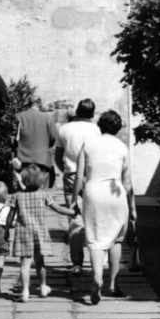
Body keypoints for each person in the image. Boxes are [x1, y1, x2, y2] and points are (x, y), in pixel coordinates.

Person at [70, 109, 136, 305]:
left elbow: (78, 176)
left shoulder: (88, 145)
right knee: (116, 239)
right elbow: (128, 182)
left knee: (95, 239)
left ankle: (97, 277)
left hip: (93, 193)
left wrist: (74, 199)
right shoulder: (122, 147)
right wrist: (132, 207)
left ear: (100, 125)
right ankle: (113, 285)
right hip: (115, 193)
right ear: (117, 128)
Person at [9, 165, 78, 302]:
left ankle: (25, 291)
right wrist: (72, 212)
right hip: (39, 233)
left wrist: (6, 231)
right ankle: (42, 287)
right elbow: (57, 208)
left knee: (24, 264)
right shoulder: (43, 194)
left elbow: (10, 216)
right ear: (39, 180)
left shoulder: (16, 196)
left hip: (23, 233)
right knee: (40, 262)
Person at [55, 98, 100, 273]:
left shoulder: (64, 129)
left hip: (71, 176)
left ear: (77, 111)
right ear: (92, 113)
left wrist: (66, 169)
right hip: (91, 174)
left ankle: (76, 263)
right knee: (94, 217)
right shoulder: (96, 130)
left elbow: (58, 156)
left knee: (74, 219)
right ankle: (98, 259)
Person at [12, 97, 59, 190]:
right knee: (42, 192)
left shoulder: (19, 116)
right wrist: (46, 145)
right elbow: (54, 137)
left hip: (23, 160)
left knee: (24, 190)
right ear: (40, 103)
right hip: (42, 159)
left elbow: (13, 139)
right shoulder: (47, 117)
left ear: (28, 103)